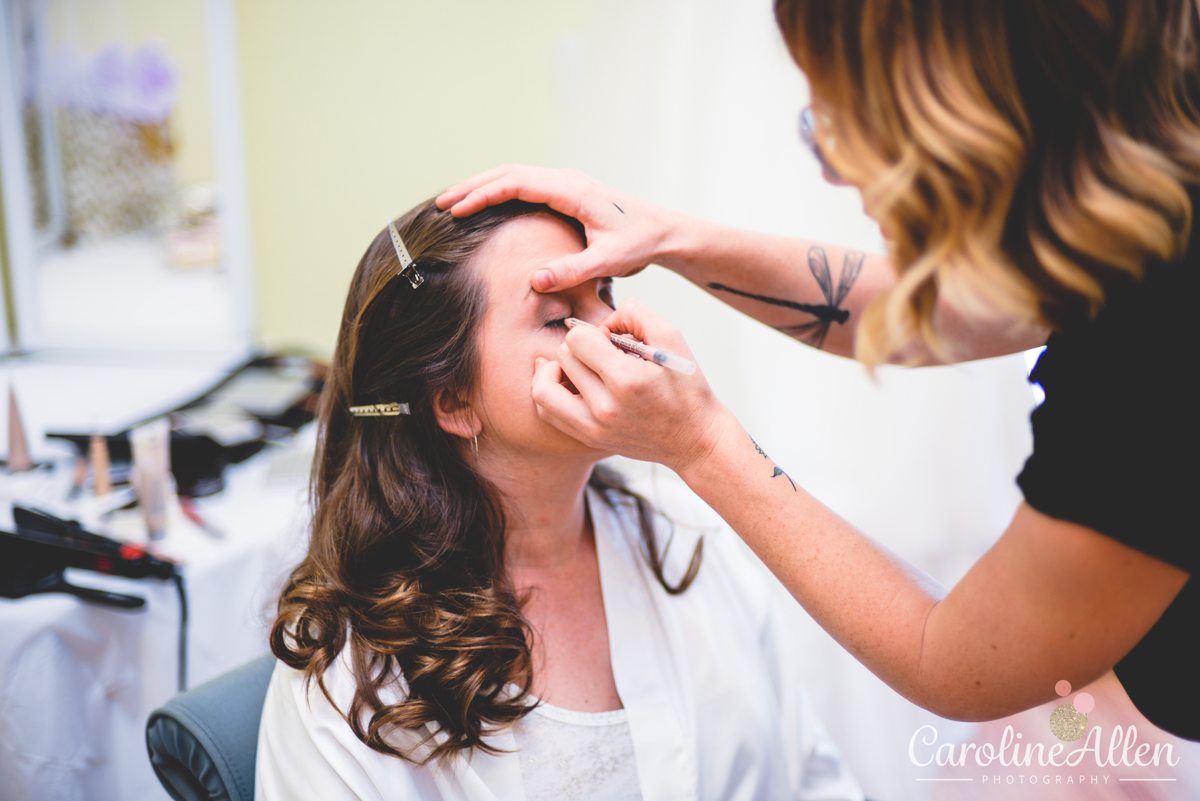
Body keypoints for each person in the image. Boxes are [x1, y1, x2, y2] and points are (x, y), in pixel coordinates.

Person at [434, 0, 1198, 741]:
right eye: (560, 314)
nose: (833, 172)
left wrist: (701, 444)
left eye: (839, 119)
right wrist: (671, 237)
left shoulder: (1154, 362)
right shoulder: (1153, 184)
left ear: (961, 109)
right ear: (449, 399)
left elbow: (957, 661)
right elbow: (945, 305)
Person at [255, 198, 863, 800]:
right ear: (454, 402)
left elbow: (810, 774)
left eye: (606, 297)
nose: (618, 334)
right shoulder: (349, 682)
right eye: (558, 318)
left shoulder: (689, 533)